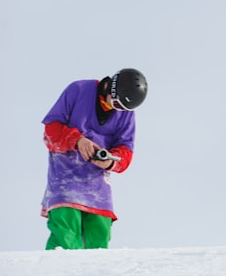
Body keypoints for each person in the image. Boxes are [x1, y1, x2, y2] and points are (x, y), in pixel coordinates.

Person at [40, 68, 148, 249]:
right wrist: (77, 140)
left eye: (122, 107)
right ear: (110, 88)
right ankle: (58, 274)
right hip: (66, 179)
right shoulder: (79, 90)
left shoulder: (126, 113)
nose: (116, 109)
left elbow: (126, 152)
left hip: (98, 184)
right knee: (66, 235)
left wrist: (111, 161)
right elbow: (51, 130)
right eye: (116, 103)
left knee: (99, 237)